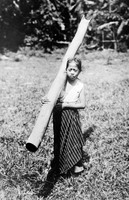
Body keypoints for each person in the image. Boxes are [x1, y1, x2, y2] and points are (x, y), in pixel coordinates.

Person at [41, 57, 86, 180]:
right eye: (70, 69)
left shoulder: (80, 85)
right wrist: (45, 98)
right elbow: (51, 96)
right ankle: (59, 166)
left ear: (79, 71)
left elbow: (82, 104)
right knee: (59, 140)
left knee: (73, 140)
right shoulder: (61, 83)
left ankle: (76, 166)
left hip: (71, 116)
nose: (72, 72)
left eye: (75, 70)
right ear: (66, 70)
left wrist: (66, 105)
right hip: (59, 116)